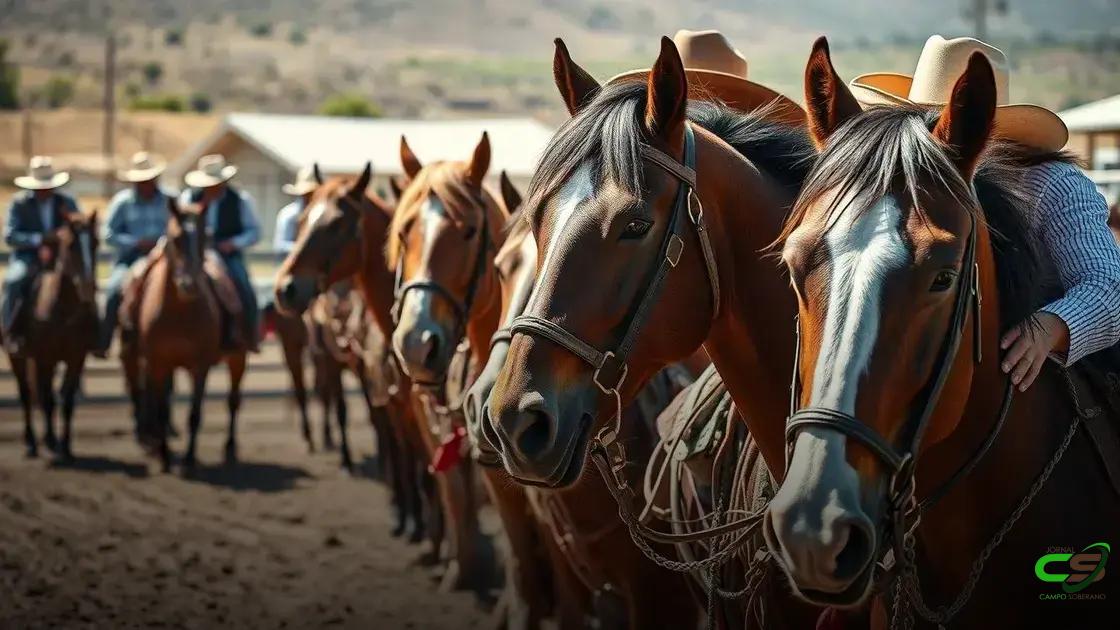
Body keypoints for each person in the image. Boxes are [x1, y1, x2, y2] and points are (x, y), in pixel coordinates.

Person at [849, 35, 1120, 391]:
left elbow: (1108, 286)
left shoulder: (1053, 184)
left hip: (1053, 382)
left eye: (957, 125)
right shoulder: (897, 182)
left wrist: (1051, 327)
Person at [94, 152, 172, 358]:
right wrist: (135, 242)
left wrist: (161, 243)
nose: (145, 184)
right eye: (141, 181)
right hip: (130, 257)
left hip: (165, 258)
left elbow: (180, 227)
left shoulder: (170, 200)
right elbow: (108, 233)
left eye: (148, 180)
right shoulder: (122, 202)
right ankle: (105, 340)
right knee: (112, 291)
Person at [181, 154, 262, 352]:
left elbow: (254, 231)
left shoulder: (240, 200)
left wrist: (234, 243)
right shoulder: (188, 199)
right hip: (194, 254)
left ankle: (249, 334)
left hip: (227, 254)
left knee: (243, 286)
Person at [2, 156, 81, 354]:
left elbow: (78, 227)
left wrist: (64, 236)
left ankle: (88, 334)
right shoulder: (20, 203)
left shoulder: (66, 202)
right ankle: (9, 331)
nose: (45, 191)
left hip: (60, 257)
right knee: (14, 281)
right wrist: (40, 241)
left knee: (82, 283)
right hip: (28, 257)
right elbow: (10, 236)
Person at [274, 165, 318, 256]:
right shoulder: (289, 215)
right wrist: (303, 248)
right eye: (309, 194)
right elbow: (280, 245)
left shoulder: (322, 216)